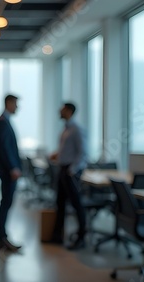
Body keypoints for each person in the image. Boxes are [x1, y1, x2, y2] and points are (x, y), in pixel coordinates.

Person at [49, 102, 87, 250]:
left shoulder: (76, 129)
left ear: (69, 111)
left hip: (70, 172)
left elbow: (83, 153)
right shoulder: (66, 129)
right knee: (60, 203)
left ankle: (81, 237)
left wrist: (72, 170)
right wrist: (57, 155)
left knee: (77, 205)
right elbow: (68, 150)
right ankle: (57, 235)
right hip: (63, 169)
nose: (60, 110)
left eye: (62, 109)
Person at [0, 94, 22, 252]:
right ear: (8, 103)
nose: (17, 107)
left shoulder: (4, 121)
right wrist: (13, 167)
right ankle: (2, 238)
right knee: (5, 203)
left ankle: (3, 237)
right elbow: (5, 148)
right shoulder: (2, 122)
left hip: (7, 170)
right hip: (7, 171)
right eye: (15, 104)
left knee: (6, 203)